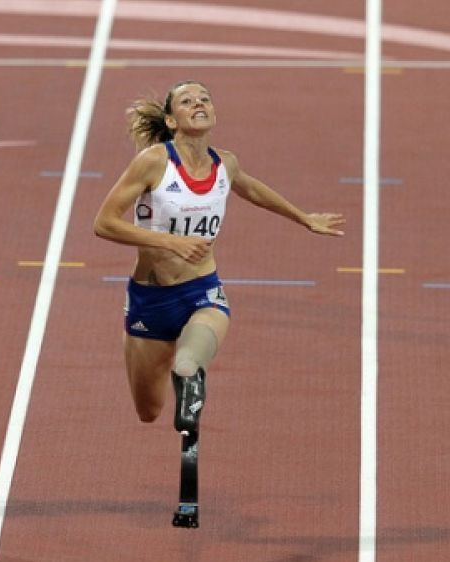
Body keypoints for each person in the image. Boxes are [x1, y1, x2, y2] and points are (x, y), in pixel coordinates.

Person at [93, 80, 344, 522]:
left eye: (205, 98)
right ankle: (181, 384)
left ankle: (190, 378)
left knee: (189, 361)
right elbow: (104, 223)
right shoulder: (153, 162)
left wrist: (304, 218)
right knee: (148, 412)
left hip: (202, 290)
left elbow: (251, 189)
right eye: (188, 101)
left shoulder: (224, 163)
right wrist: (168, 242)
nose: (200, 104)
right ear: (172, 120)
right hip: (150, 300)